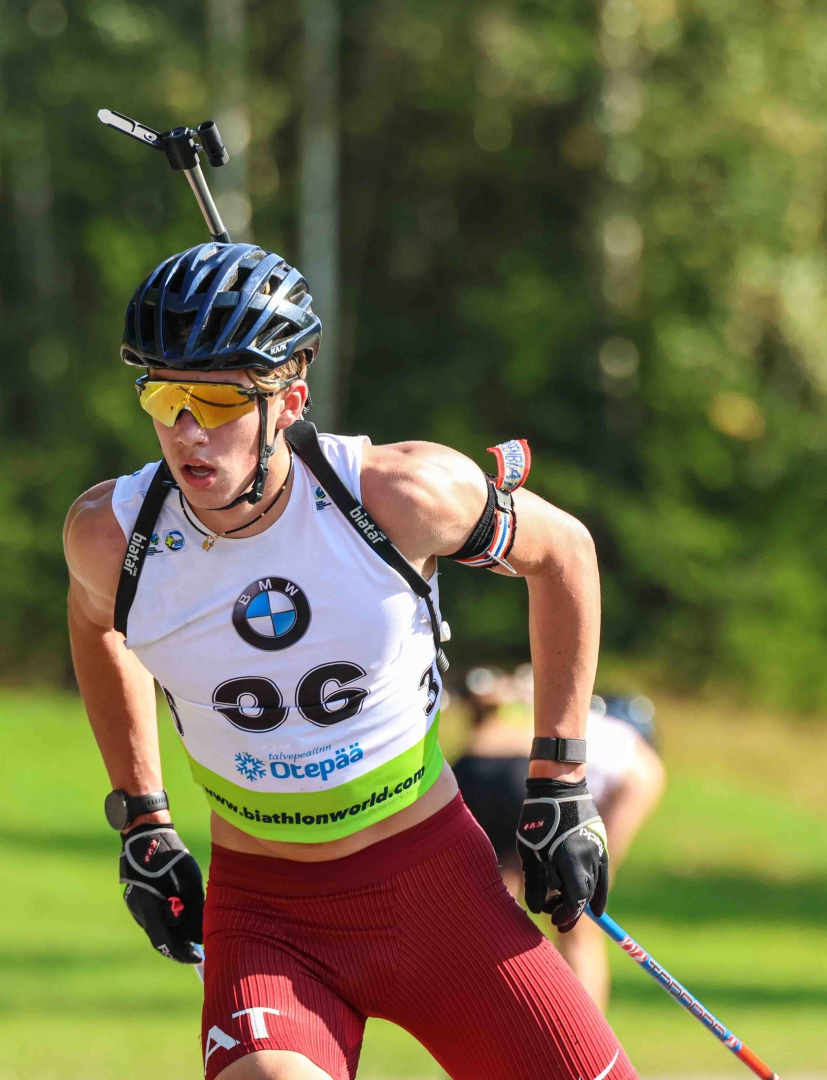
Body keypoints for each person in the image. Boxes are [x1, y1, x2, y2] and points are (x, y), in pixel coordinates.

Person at [64, 241, 640, 1080]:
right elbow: (97, 626)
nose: (188, 430)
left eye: (219, 399)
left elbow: (564, 555)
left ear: (289, 400)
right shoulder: (114, 537)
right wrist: (143, 818)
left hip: (438, 891)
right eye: (164, 395)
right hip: (267, 919)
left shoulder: (400, 496)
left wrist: (561, 780)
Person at [452, 670, 667, 1013]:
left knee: (493, 916)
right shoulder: (644, 766)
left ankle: (482, 1031)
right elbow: (602, 858)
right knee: (579, 923)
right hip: (521, 776)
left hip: (469, 769)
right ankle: (587, 1038)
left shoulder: (587, 725)